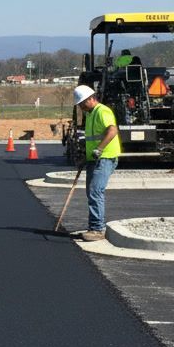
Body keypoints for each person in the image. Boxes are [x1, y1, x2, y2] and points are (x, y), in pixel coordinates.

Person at [73, 84, 121, 241]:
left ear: (91, 99)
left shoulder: (102, 111)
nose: (80, 106)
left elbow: (112, 130)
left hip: (105, 157)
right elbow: (91, 140)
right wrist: (84, 158)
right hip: (93, 159)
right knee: (91, 192)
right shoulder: (90, 114)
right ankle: (93, 226)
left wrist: (99, 149)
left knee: (95, 191)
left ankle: (97, 229)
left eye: (82, 103)